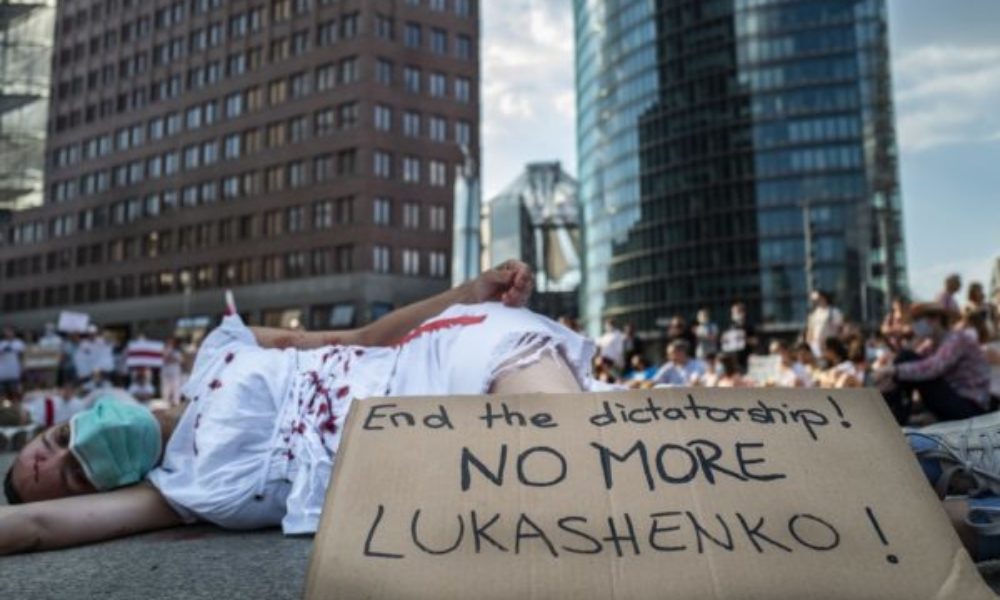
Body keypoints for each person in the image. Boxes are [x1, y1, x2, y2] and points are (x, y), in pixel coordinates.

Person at [0, 261, 605, 555]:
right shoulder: (183, 492)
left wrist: (467, 294)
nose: (80, 447)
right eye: (79, 472)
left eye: (58, 440)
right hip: (419, 455)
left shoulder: (222, 346)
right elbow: (37, 526)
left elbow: (368, 339)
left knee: (577, 450)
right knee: (577, 486)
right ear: (104, 492)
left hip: (434, 360)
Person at [875, 303, 990, 425]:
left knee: (907, 360)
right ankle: (890, 412)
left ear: (935, 319)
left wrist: (894, 370)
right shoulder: (931, 344)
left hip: (970, 407)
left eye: (918, 320)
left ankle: (890, 415)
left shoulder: (958, 338)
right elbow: (911, 362)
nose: (915, 325)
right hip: (955, 401)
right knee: (906, 359)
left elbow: (934, 367)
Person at [805, 290, 844, 358]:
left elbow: (839, 329)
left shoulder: (834, 312)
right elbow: (810, 330)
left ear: (824, 298)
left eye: (818, 299)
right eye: (814, 300)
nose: (816, 301)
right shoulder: (813, 313)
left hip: (829, 345)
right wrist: (809, 343)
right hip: (816, 346)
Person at [720, 302, 756, 372]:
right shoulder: (728, 327)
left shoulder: (748, 327)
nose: (734, 314)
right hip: (732, 359)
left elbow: (755, 341)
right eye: (733, 312)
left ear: (743, 312)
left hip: (745, 358)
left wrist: (743, 339)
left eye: (737, 312)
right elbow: (723, 341)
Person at [0, 327, 26, 398]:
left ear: (14, 332)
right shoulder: (1, 344)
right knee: (2, 394)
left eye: (10, 332)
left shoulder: (19, 343)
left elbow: (22, 357)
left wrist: (22, 368)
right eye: (7, 332)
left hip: (14, 372)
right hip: (2, 373)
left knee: (15, 393)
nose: (9, 334)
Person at [161, 338, 185, 406]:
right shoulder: (164, 351)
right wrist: (169, 354)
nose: (170, 344)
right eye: (168, 343)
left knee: (176, 386)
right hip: (166, 371)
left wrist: (172, 358)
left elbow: (180, 361)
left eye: (171, 343)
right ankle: (165, 401)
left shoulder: (177, 352)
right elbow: (165, 359)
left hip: (175, 371)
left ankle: (176, 401)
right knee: (166, 386)